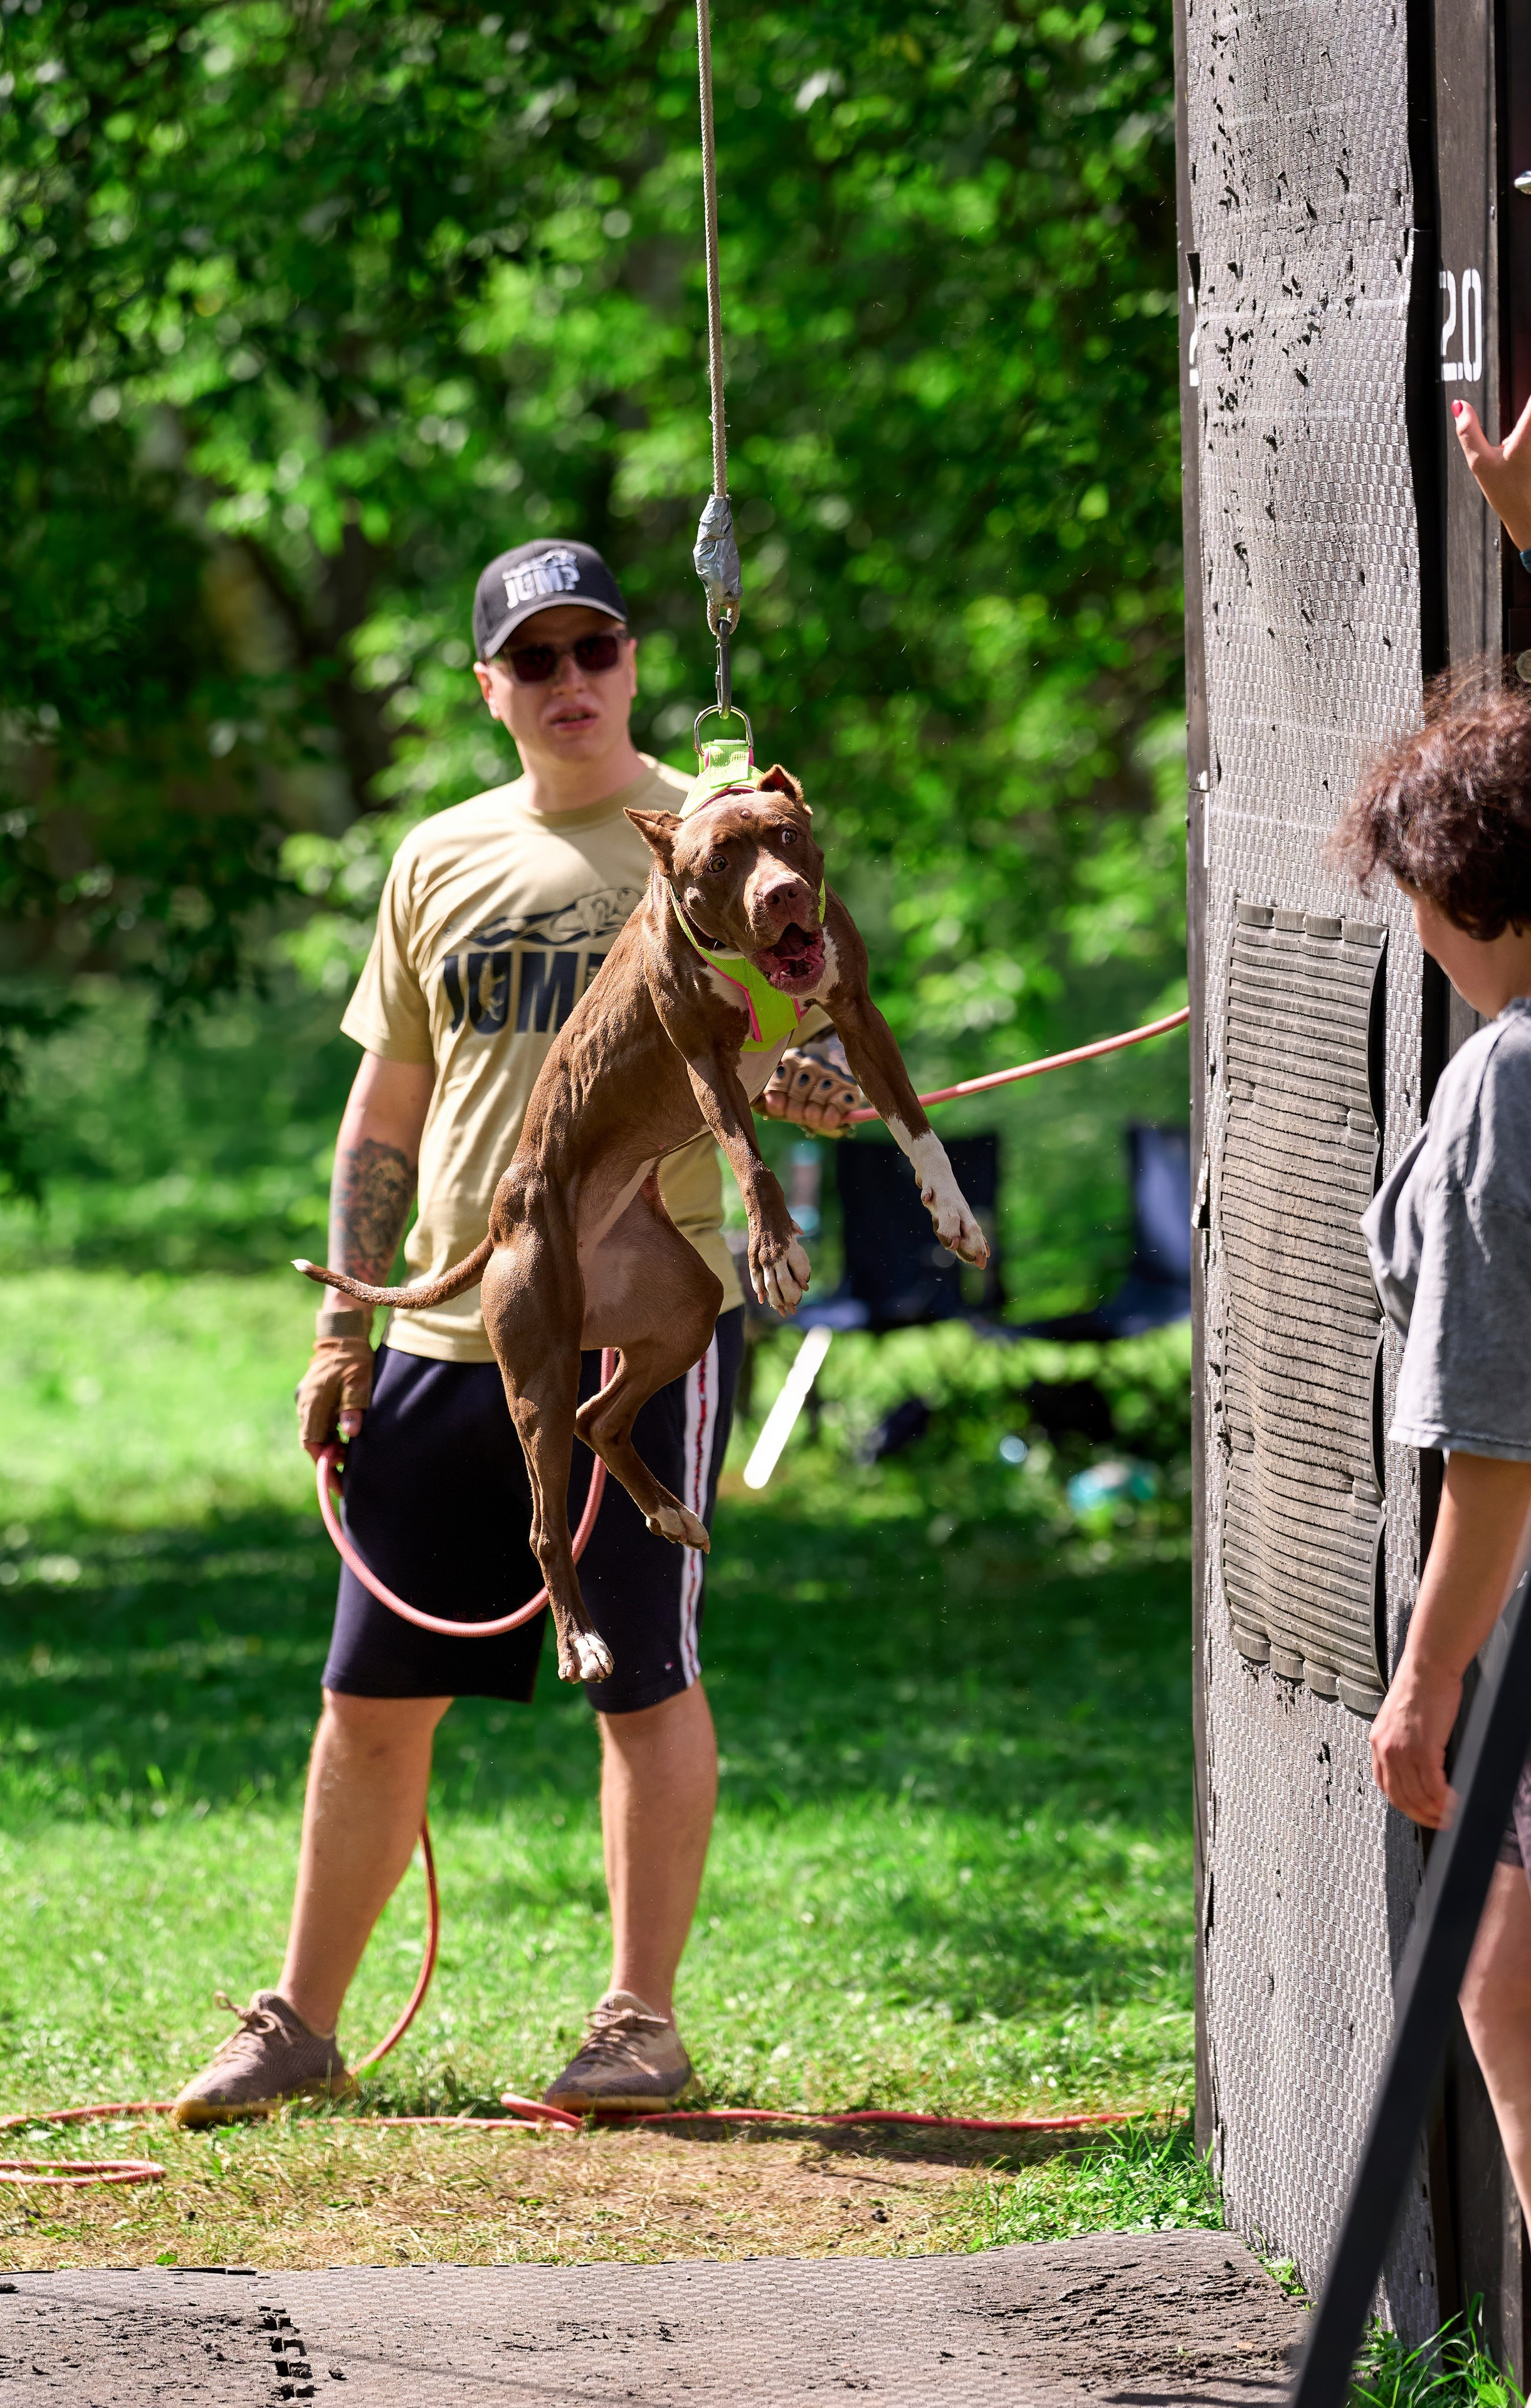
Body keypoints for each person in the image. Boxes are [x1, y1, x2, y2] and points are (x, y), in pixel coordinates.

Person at [172, 536, 839, 2125]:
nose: (567, 683)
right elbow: (385, 1101)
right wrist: (347, 1320)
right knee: (366, 1695)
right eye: (530, 660)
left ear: (631, 663)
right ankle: (300, 2022)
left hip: (630, 1329)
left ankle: (638, 2025)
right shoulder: (436, 858)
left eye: (592, 650)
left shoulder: (708, 839)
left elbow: (793, 1028)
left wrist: (796, 1074)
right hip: (450, 1331)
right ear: (489, 687)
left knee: (645, 1682)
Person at [1332, 323, 1531, 2408]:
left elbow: (1502, 1434)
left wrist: (1430, 1673)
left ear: (1434, 903)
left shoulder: (1517, 1085)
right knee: (1525, 1993)